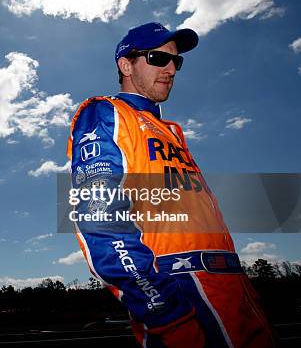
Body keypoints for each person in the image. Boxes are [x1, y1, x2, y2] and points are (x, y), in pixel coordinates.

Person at [67, 22, 275, 347]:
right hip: (181, 288)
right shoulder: (107, 113)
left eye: (175, 61)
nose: (170, 69)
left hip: (234, 288)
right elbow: (100, 217)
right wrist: (160, 306)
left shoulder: (171, 131)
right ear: (126, 64)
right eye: (157, 58)